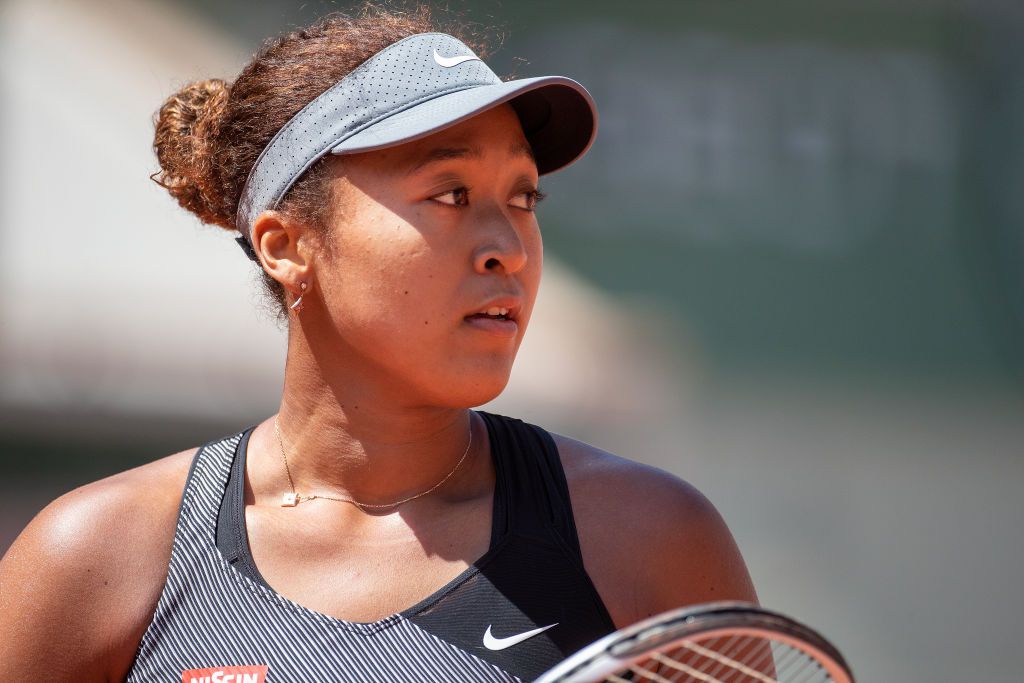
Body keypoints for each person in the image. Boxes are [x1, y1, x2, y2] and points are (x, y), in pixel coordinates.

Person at [0, 5, 757, 682]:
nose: (509, 249)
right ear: (286, 243)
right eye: (450, 194)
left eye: (523, 197)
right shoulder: (96, 555)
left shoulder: (647, 538)